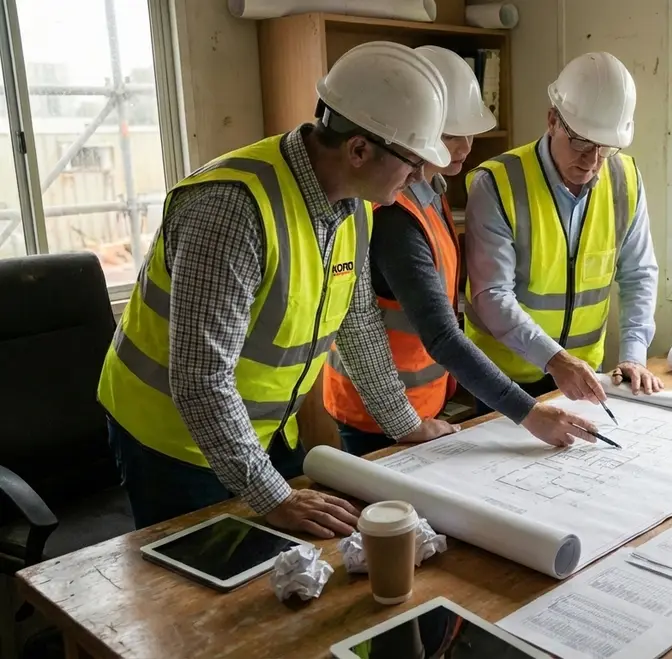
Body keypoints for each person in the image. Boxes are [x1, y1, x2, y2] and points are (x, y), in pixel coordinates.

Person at [97, 41, 460, 538]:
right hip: (171, 443)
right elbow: (201, 379)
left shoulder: (354, 206)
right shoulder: (231, 209)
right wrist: (276, 498)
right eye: (412, 161)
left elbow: (356, 325)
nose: (421, 176)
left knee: (293, 566)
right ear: (358, 149)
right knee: (201, 599)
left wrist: (404, 424)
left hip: (262, 430)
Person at [319, 45, 601, 457]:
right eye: (451, 135)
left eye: (471, 133)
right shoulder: (394, 215)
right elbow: (440, 334)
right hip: (380, 411)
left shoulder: (432, 192)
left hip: (422, 401)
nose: (466, 147)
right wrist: (530, 413)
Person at [463, 51, 663, 410]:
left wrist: (634, 354)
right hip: (503, 381)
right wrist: (555, 359)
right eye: (581, 143)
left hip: (585, 377)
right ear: (552, 120)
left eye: (605, 148)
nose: (591, 162)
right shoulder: (496, 183)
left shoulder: (625, 180)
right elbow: (491, 294)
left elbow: (639, 274)